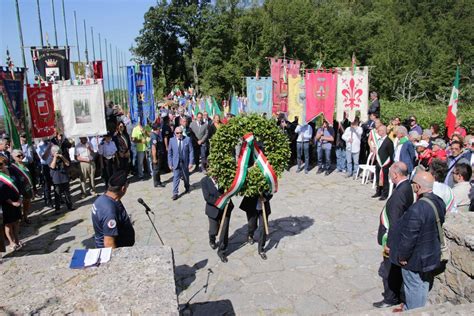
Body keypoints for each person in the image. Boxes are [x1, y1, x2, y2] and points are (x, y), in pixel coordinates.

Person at [389, 170, 446, 310]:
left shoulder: (418, 208)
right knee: (423, 283)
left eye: (413, 183)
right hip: (431, 253)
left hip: (416, 258)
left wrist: (402, 256)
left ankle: (414, 311)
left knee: (413, 286)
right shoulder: (439, 201)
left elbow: (410, 237)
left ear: (418, 187)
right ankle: (416, 308)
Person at [374, 162, 413, 308]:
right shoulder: (406, 186)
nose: (389, 174)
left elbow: (395, 222)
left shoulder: (399, 194)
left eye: (390, 172)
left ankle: (390, 299)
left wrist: (389, 245)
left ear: (395, 174)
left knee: (389, 270)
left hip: (392, 240)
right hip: (397, 236)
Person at [91, 170, 134, 248]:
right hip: (116, 249)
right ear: (123, 189)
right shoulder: (110, 212)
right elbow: (109, 243)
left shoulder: (103, 198)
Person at [201, 174, 234, 263]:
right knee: (214, 230)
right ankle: (212, 239)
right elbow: (207, 197)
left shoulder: (224, 176)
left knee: (224, 230)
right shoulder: (204, 181)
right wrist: (219, 201)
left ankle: (222, 251)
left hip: (225, 209)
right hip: (213, 210)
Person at [0, 156, 23, 251]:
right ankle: (11, 242)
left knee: (16, 221)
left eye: (1, 164)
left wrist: (20, 198)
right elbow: (1, 193)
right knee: (8, 224)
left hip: (17, 199)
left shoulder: (12, 171)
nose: (0, 166)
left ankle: (17, 239)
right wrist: (12, 203)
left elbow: (19, 184)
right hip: (6, 202)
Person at [168, 126, 194, 200]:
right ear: (175, 133)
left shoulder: (187, 139)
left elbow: (191, 151)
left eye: (181, 133)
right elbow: (170, 153)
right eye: (177, 133)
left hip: (185, 162)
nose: (179, 134)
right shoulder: (172, 140)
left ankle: (187, 187)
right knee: (176, 177)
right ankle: (175, 193)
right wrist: (170, 163)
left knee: (186, 177)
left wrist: (191, 162)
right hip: (176, 162)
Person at [11, 150, 33, 224]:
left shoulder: (26, 164)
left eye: (21, 155)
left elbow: (30, 176)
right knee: (20, 204)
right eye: (18, 156)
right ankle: (19, 219)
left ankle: (25, 217)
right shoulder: (13, 167)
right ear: (13, 157)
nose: (21, 157)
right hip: (19, 188)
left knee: (27, 203)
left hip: (27, 187)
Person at [50, 145, 73, 211]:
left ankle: (70, 206)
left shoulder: (62, 157)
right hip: (56, 179)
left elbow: (68, 164)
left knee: (67, 194)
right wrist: (54, 157)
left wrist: (62, 157)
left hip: (64, 178)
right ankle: (57, 209)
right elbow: (52, 166)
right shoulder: (50, 158)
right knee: (57, 195)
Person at [373, 125, 394, 200]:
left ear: (383, 131)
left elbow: (391, 154)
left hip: (385, 163)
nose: (378, 132)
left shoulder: (389, 141)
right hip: (378, 162)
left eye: (379, 130)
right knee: (378, 177)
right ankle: (378, 191)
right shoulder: (379, 140)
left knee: (384, 179)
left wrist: (389, 164)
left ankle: (385, 194)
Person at [36, 139, 54, 207]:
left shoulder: (51, 143)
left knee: (55, 183)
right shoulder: (39, 146)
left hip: (52, 164)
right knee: (47, 184)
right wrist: (49, 147)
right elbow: (43, 157)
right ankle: (48, 201)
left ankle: (59, 198)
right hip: (45, 166)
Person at [150, 123, 165, 188]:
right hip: (156, 155)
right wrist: (154, 158)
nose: (160, 129)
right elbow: (153, 148)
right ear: (157, 129)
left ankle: (158, 181)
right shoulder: (154, 136)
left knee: (158, 169)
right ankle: (156, 183)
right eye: (159, 128)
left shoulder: (157, 135)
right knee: (156, 170)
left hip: (159, 154)